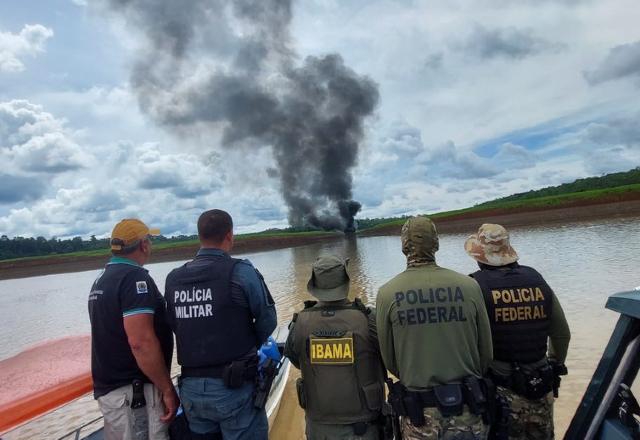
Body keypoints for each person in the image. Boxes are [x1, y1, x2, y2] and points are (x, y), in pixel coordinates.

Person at [376, 216, 493, 440]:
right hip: (468, 411)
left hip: (420, 417)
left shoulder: (387, 293)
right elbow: (485, 353)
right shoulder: (469, 286)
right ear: (436, 244)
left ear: (404, 248)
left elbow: (390, 361)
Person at [164, 209, 277, 440]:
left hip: (192, 391)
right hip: (234, 389)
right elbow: (268, 320)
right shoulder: (240, 271)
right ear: (229, 235)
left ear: (200, 236)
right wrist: (247, 347)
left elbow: (175, 325)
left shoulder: (173, 278)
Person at [465, 224, 571, 440]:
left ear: (480, 256)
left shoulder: (475, 285)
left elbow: (468, 341)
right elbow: (561, 333)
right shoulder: (536, 279)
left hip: (501, 390)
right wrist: (554, 364)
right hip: (541, 385)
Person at [88, 219, 178, 440]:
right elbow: (140, 342)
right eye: (149, 240)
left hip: (116, 393)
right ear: (143, 245)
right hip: (134, 395)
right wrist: (167, 389)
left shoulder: (102, 279)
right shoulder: (135, 278)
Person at [284, 254, 386, 440]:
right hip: (363, 428)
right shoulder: (368, 318)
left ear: (315, 285)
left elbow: (296, 359)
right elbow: (388, 357)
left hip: (319, 427)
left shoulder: (300, 323)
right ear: (345, 281)